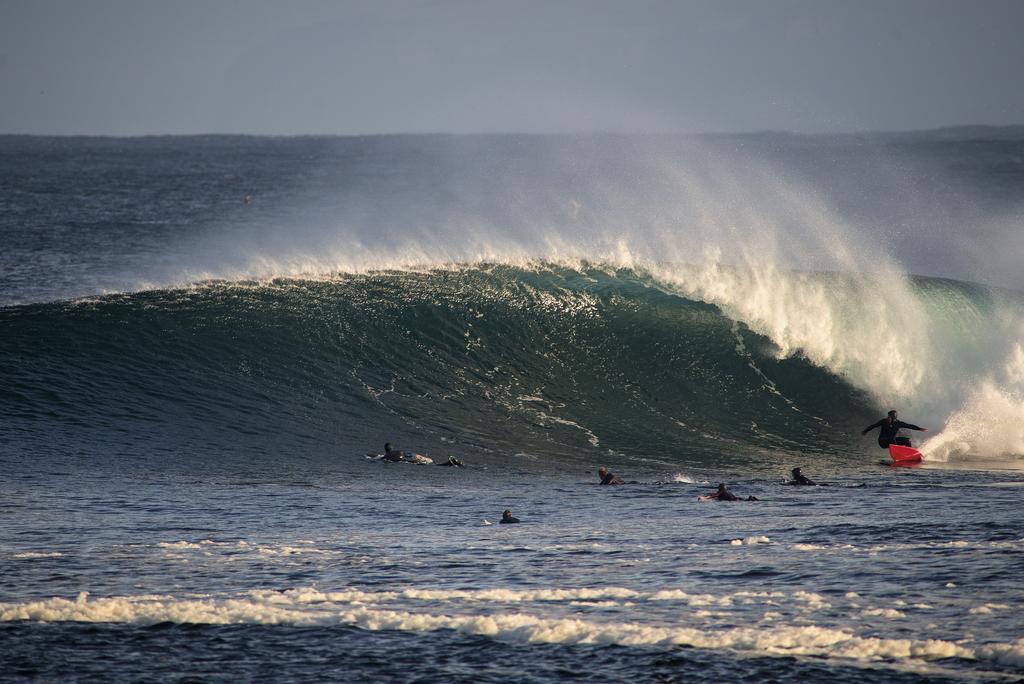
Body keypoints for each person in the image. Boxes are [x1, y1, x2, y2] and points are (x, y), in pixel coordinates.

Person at [862, 410, 927, 449]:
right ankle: (897, 450)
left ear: (894, 417)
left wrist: (919, 429)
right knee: (892, 438)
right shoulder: (884, 421)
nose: (888, 417)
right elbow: (874, 425)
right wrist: (865, 431)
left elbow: (909, 426)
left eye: (890, 416)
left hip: (892, 442)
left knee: (907, 441)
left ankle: (909, 454)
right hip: (882, 441)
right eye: (888, 416)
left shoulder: (898, 423)